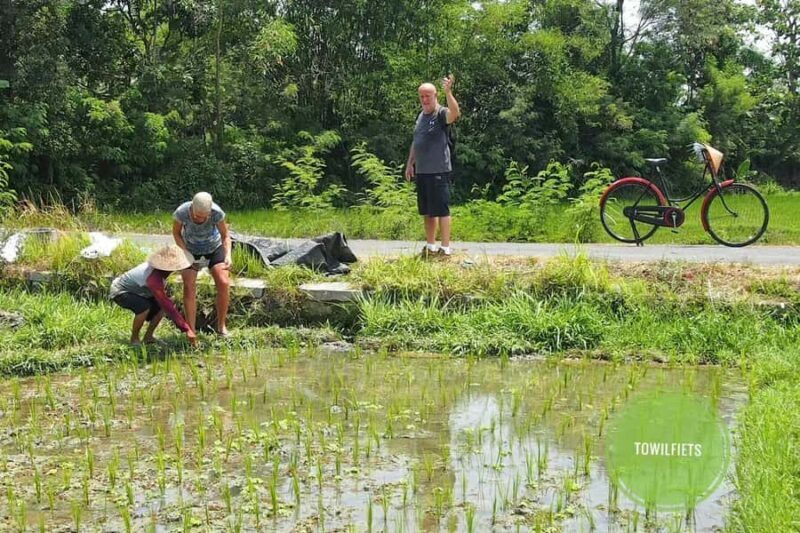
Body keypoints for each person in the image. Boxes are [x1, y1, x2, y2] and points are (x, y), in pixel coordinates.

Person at [405, 74, 461, 256]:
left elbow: (455, 114)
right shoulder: (421, 116)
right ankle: (431, 246)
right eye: (421, 96)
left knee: (442, 210)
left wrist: (449, 92)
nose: (424, 99)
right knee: (428, 211)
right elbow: (416, 141)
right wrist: (410, 163)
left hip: (439, 170)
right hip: (422, 171)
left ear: (435, 96)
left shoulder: (441, 113)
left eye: (428, 96)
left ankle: (445, 249)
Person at [110, 244, 197, 346]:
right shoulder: (153, 278)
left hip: (140, 291)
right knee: (144, 307)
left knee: (161, 308)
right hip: (120, 291)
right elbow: (165, 302)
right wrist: (186, 328)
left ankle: (148, 337)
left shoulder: (162, 272)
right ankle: (134, 339)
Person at [172, 192, 231, 336]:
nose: (199, 219)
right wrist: (185, 252)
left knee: (223, 282)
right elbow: (176, 234)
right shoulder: (181, 212)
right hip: (190, 249)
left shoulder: (217, 213)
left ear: (210, 212)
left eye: (203, 217)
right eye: (196, 216)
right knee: (189, 285)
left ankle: (221, 326)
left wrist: (228, 254)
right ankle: (191, 329)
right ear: (192, 207)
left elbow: (225, 235)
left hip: (213, 248)